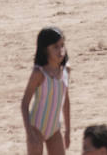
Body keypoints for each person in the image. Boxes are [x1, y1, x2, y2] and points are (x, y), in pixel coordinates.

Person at [21, 26, 70, 155]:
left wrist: (68, 130)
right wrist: (29, 133)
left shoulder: (65, 71)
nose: (60, 50)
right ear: (45, 49)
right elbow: (24, 103)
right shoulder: (39, 73)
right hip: (36, 127)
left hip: (54, 128)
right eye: (55, 47)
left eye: (62, 45)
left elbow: (66, 100)